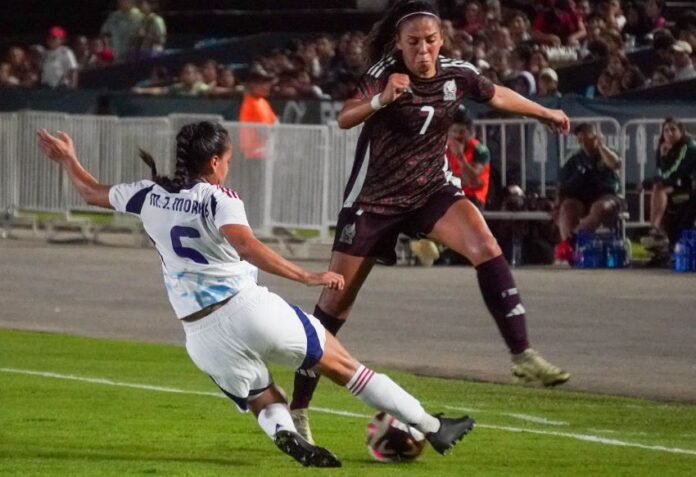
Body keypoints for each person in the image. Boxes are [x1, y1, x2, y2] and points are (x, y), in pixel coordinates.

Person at [36, 122, 476, 468]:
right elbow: (247, 246)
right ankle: (433, 426)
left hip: (199, 335)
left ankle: (285, 432)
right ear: (213, 161)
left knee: (263, 396)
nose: (228, 167)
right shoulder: (217, 197)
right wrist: (306, 275)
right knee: (346, 367)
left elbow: (92, 193)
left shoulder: (148, 194)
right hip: (247, 309)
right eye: (226, 159)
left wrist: (69, 160)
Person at [289, 0, 571, 445]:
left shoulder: (456, 74)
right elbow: (345, 117)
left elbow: (495, 93)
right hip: (373, 200)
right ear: (399, 44)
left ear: (442, 41)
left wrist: (545, 112)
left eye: (430, 41)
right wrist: (382, 99)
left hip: (429, 190)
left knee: (483, 241)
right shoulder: (384, 73)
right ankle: (299, 408)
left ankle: (522, 355)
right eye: (413, 42)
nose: (423, 49)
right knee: (333, 307)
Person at [553, 123, 622, 264]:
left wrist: (602, 147)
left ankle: (571, 243)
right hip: (582, 197)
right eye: (580, 140)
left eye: (587, 138)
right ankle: (573, 256)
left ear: (596, 137)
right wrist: (557, 204)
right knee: (567, 208)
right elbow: (563, 185)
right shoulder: (574, 158)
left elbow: (615, 164)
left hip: (607, 195)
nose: (584, 143)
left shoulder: (608, 152)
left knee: (600, 208)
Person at [641, 118, 696, 266]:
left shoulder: (688, 147)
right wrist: (663, 158)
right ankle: (661, 242)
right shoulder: (664, 148)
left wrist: (654, 180)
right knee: (658, 190)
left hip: (689, 187)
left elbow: (674, 172)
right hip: (677, 186)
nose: (669, 133)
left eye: (673, 129)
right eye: (666, 130)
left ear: (681, 131)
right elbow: (661, 172)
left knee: (659, 188)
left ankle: (655, 230)